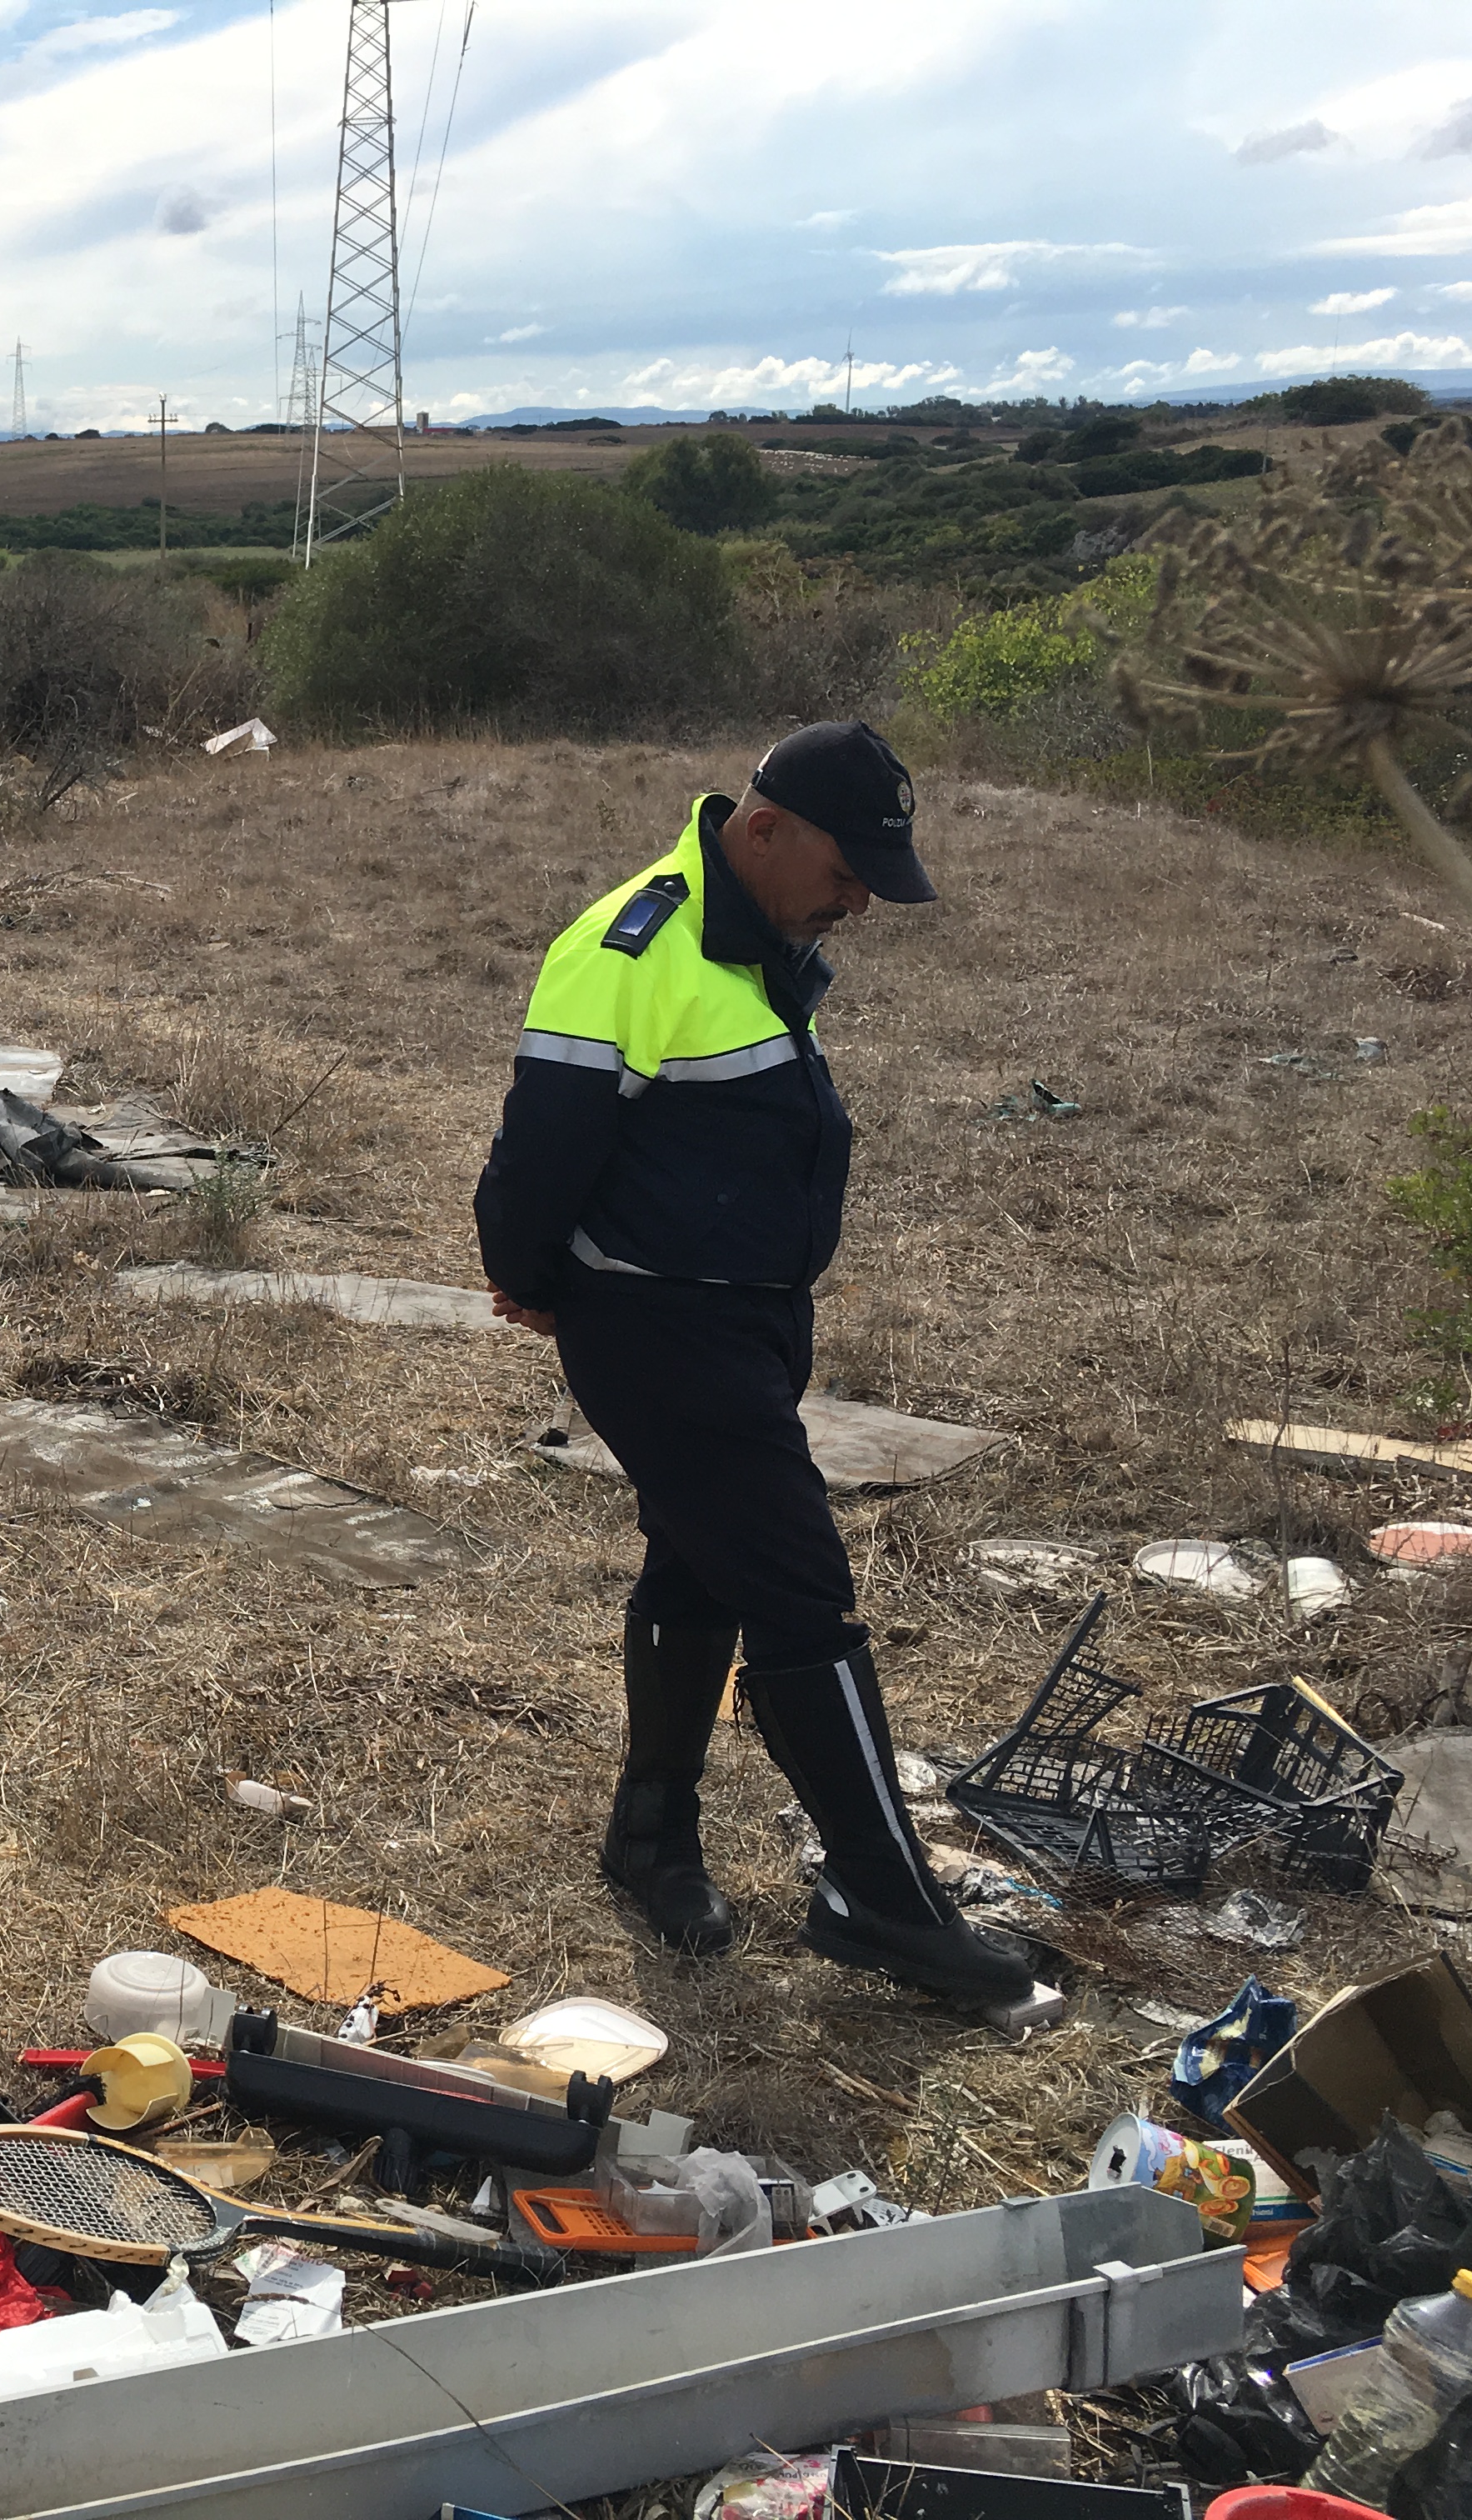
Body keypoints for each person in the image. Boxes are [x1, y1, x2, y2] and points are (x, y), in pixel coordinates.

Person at [472, 721, 1039, 2012]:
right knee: (802, 1597)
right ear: (767, 829)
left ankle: (651, 1840)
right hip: (659, 1324)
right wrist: (545, 1285)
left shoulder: (767, 938)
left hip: (748, 1320)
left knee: (701, 1562)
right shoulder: (633, 942)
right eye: (849, 875)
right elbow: (538, 1150)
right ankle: (884, 1900)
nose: (858, 905)